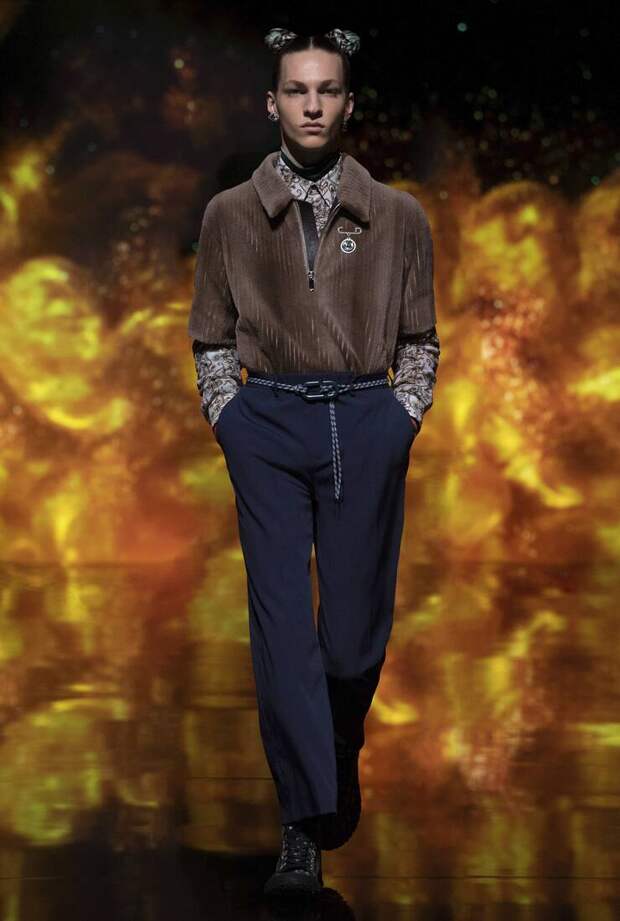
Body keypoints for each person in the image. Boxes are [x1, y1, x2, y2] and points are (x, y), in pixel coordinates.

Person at [189, 26, 440, 897]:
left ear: (348, 103)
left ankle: (337, 738)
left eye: (327, 90)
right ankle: (300, 828)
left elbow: (420, 337)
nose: (311, 105)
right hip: (267, 421)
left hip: (367, 418)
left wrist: (402, 415)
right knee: (282, 627)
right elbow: (210, 336)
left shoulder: (399, 216)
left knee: (353, 635)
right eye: (296, 89)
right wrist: (229, 416)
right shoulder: (229, 215)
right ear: (272, 102)